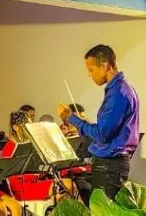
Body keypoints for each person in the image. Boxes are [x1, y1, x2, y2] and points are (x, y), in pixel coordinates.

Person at [57, 44, 140, 200]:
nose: (89, 75)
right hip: (110, 165)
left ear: (105, 65)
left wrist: (71, 118)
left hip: (110, 166)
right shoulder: (121, 89)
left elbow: (102, 134)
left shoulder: (119, 93)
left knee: (104, 214)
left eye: (91, 70)